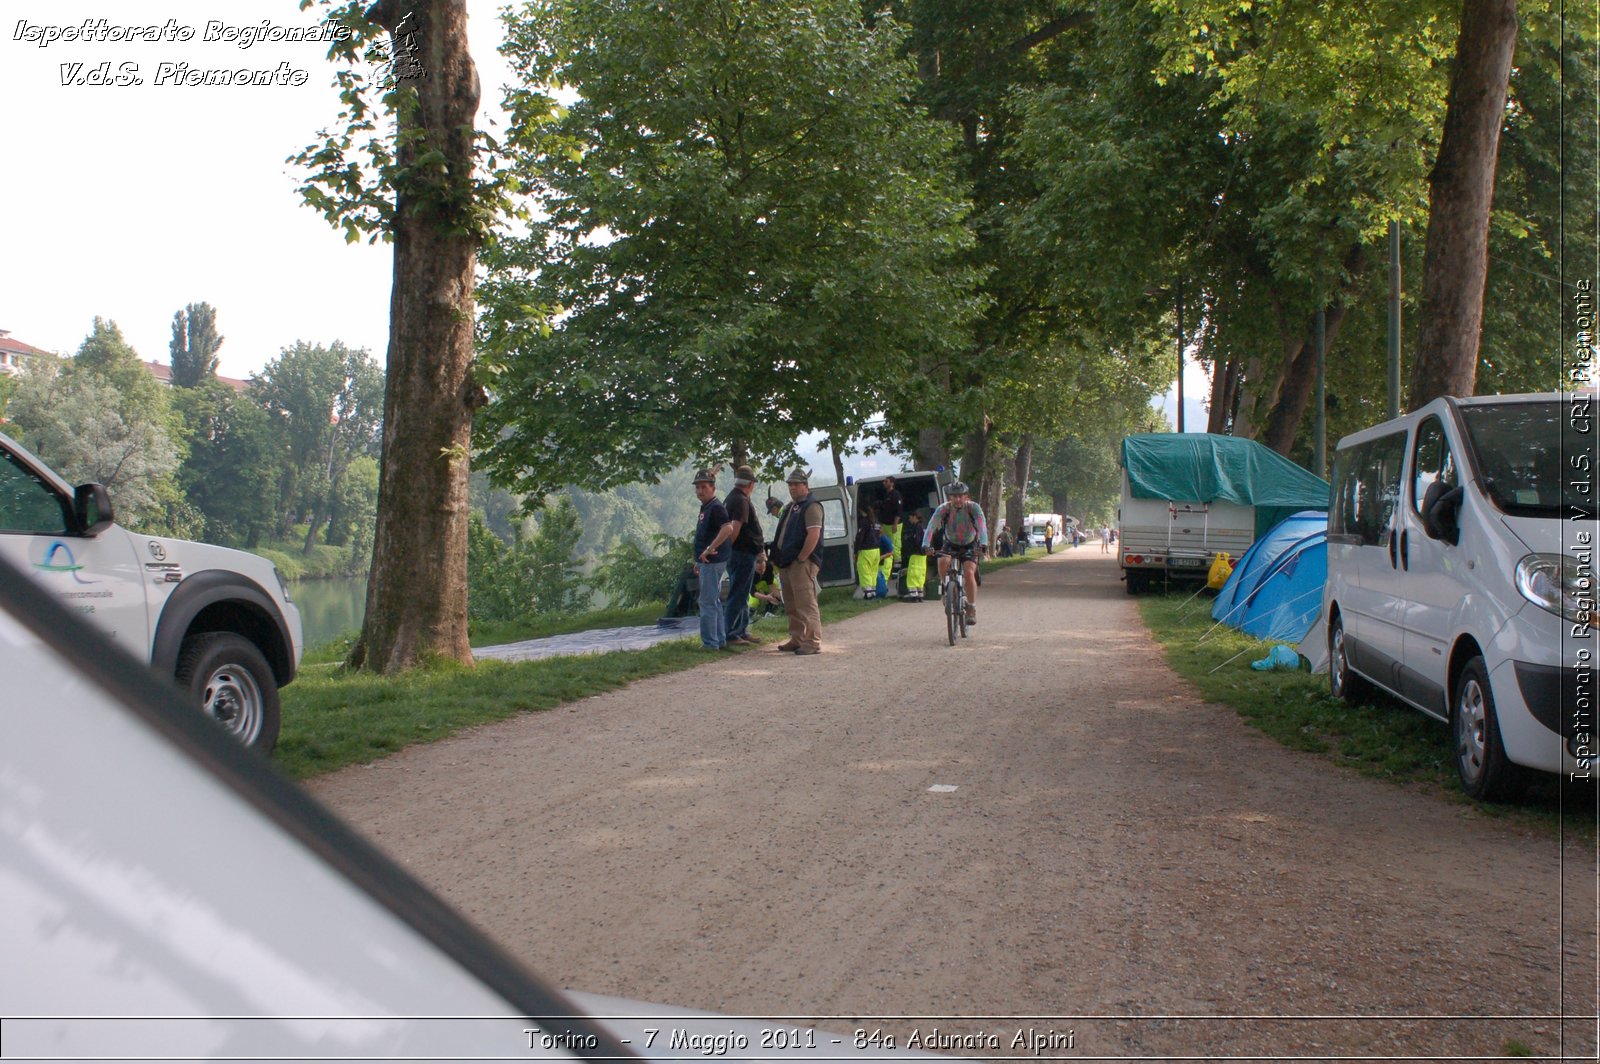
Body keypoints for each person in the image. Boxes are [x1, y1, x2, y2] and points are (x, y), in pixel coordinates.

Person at [772, 467, 824, 655]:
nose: (792, 488)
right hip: (787, 562)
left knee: (806, 603)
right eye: (790, 485)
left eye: (796, 484)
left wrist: (802, 558)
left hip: (802, 563)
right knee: (792, 604)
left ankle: (812, 641)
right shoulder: (792, 506)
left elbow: (814, 534)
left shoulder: (812, 506)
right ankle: (797, 638)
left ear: (805, 486)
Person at [716, 465, 767, 646]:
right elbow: (735, 529)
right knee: (738, 594)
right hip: (742, 553)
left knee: (743, 593)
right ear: (750, 484)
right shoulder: (741, 501)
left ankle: (742, 630)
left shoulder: (731, 497)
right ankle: (730, 633)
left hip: (739, 553)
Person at [924, 481, 988, 625]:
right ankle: (946, 588)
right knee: (942, 562)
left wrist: (983, 544)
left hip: (970, 543)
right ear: (949, 498)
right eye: (954, 496)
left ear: (966, 497)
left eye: (961, 496)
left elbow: (982, 527)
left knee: (969, 572)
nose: (958, 499)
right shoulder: (943, 509)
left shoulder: (974, 508)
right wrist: (925, 544)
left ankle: (971, 607)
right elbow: (931, 526)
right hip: (950, 543)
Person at [690, 469, 730, 651]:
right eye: (697, 487)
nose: (700, 491)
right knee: (713, 601)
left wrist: (710, 549)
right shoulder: (706, 506)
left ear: (712, 488)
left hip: (712, 561)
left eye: (703, 487)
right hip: (707, 562)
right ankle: (719, 639)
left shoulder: (716, 507)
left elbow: (727, 529)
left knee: (706, 601)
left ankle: (710, 643)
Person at [875, 475, 905, 581]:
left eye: (886, 481)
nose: (884, 483)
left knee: (895, 547)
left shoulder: (896, 495)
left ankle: (897, 572)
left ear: (892, 483)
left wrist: (895, 524)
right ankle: (890, 570)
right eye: (884, 481)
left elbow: (898, 511)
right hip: (886, 525)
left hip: (894, 524)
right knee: (888, 546)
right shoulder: (886, 495)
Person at [853, 507, 883, 599]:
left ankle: (867, 592)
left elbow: (860, 538)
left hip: (866, 550)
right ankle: (873, 591)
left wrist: (855, 551)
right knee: (873, 571)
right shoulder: (876, 522)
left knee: (864, 570)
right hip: (876, 550)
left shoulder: (864, 522)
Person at [901, 511, 930, 601]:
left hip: (916, 554)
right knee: (920, 575)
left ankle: (914, 596)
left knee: (912, 575)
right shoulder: (924, 526)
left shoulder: (916, 527)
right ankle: (920, 595)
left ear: (914, 517)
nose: (909, 520)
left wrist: (910, 543)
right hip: (923, 555)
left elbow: (916, 540)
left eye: (910, 517)